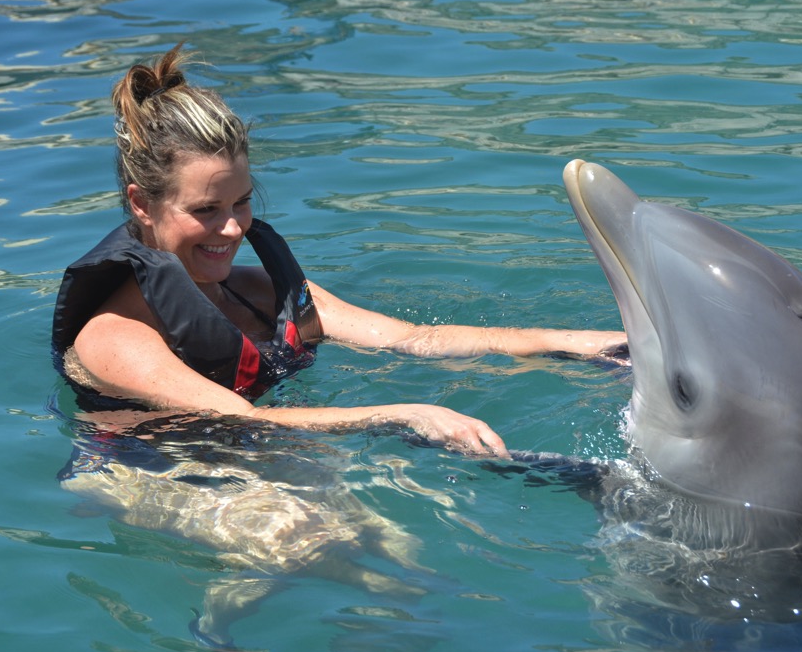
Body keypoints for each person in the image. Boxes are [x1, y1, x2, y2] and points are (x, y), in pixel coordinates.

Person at [52, 43, 627, 459]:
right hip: (151, 472)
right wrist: (407, 413)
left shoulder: (258, 293)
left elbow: (412, 339)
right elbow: (243, 419)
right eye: (205, 210)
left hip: (256, 459)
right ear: (142, 204)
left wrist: (574, 344)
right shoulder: (115, 336)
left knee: (393, 557)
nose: (230, 230)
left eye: (242, 203)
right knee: (312, 539)